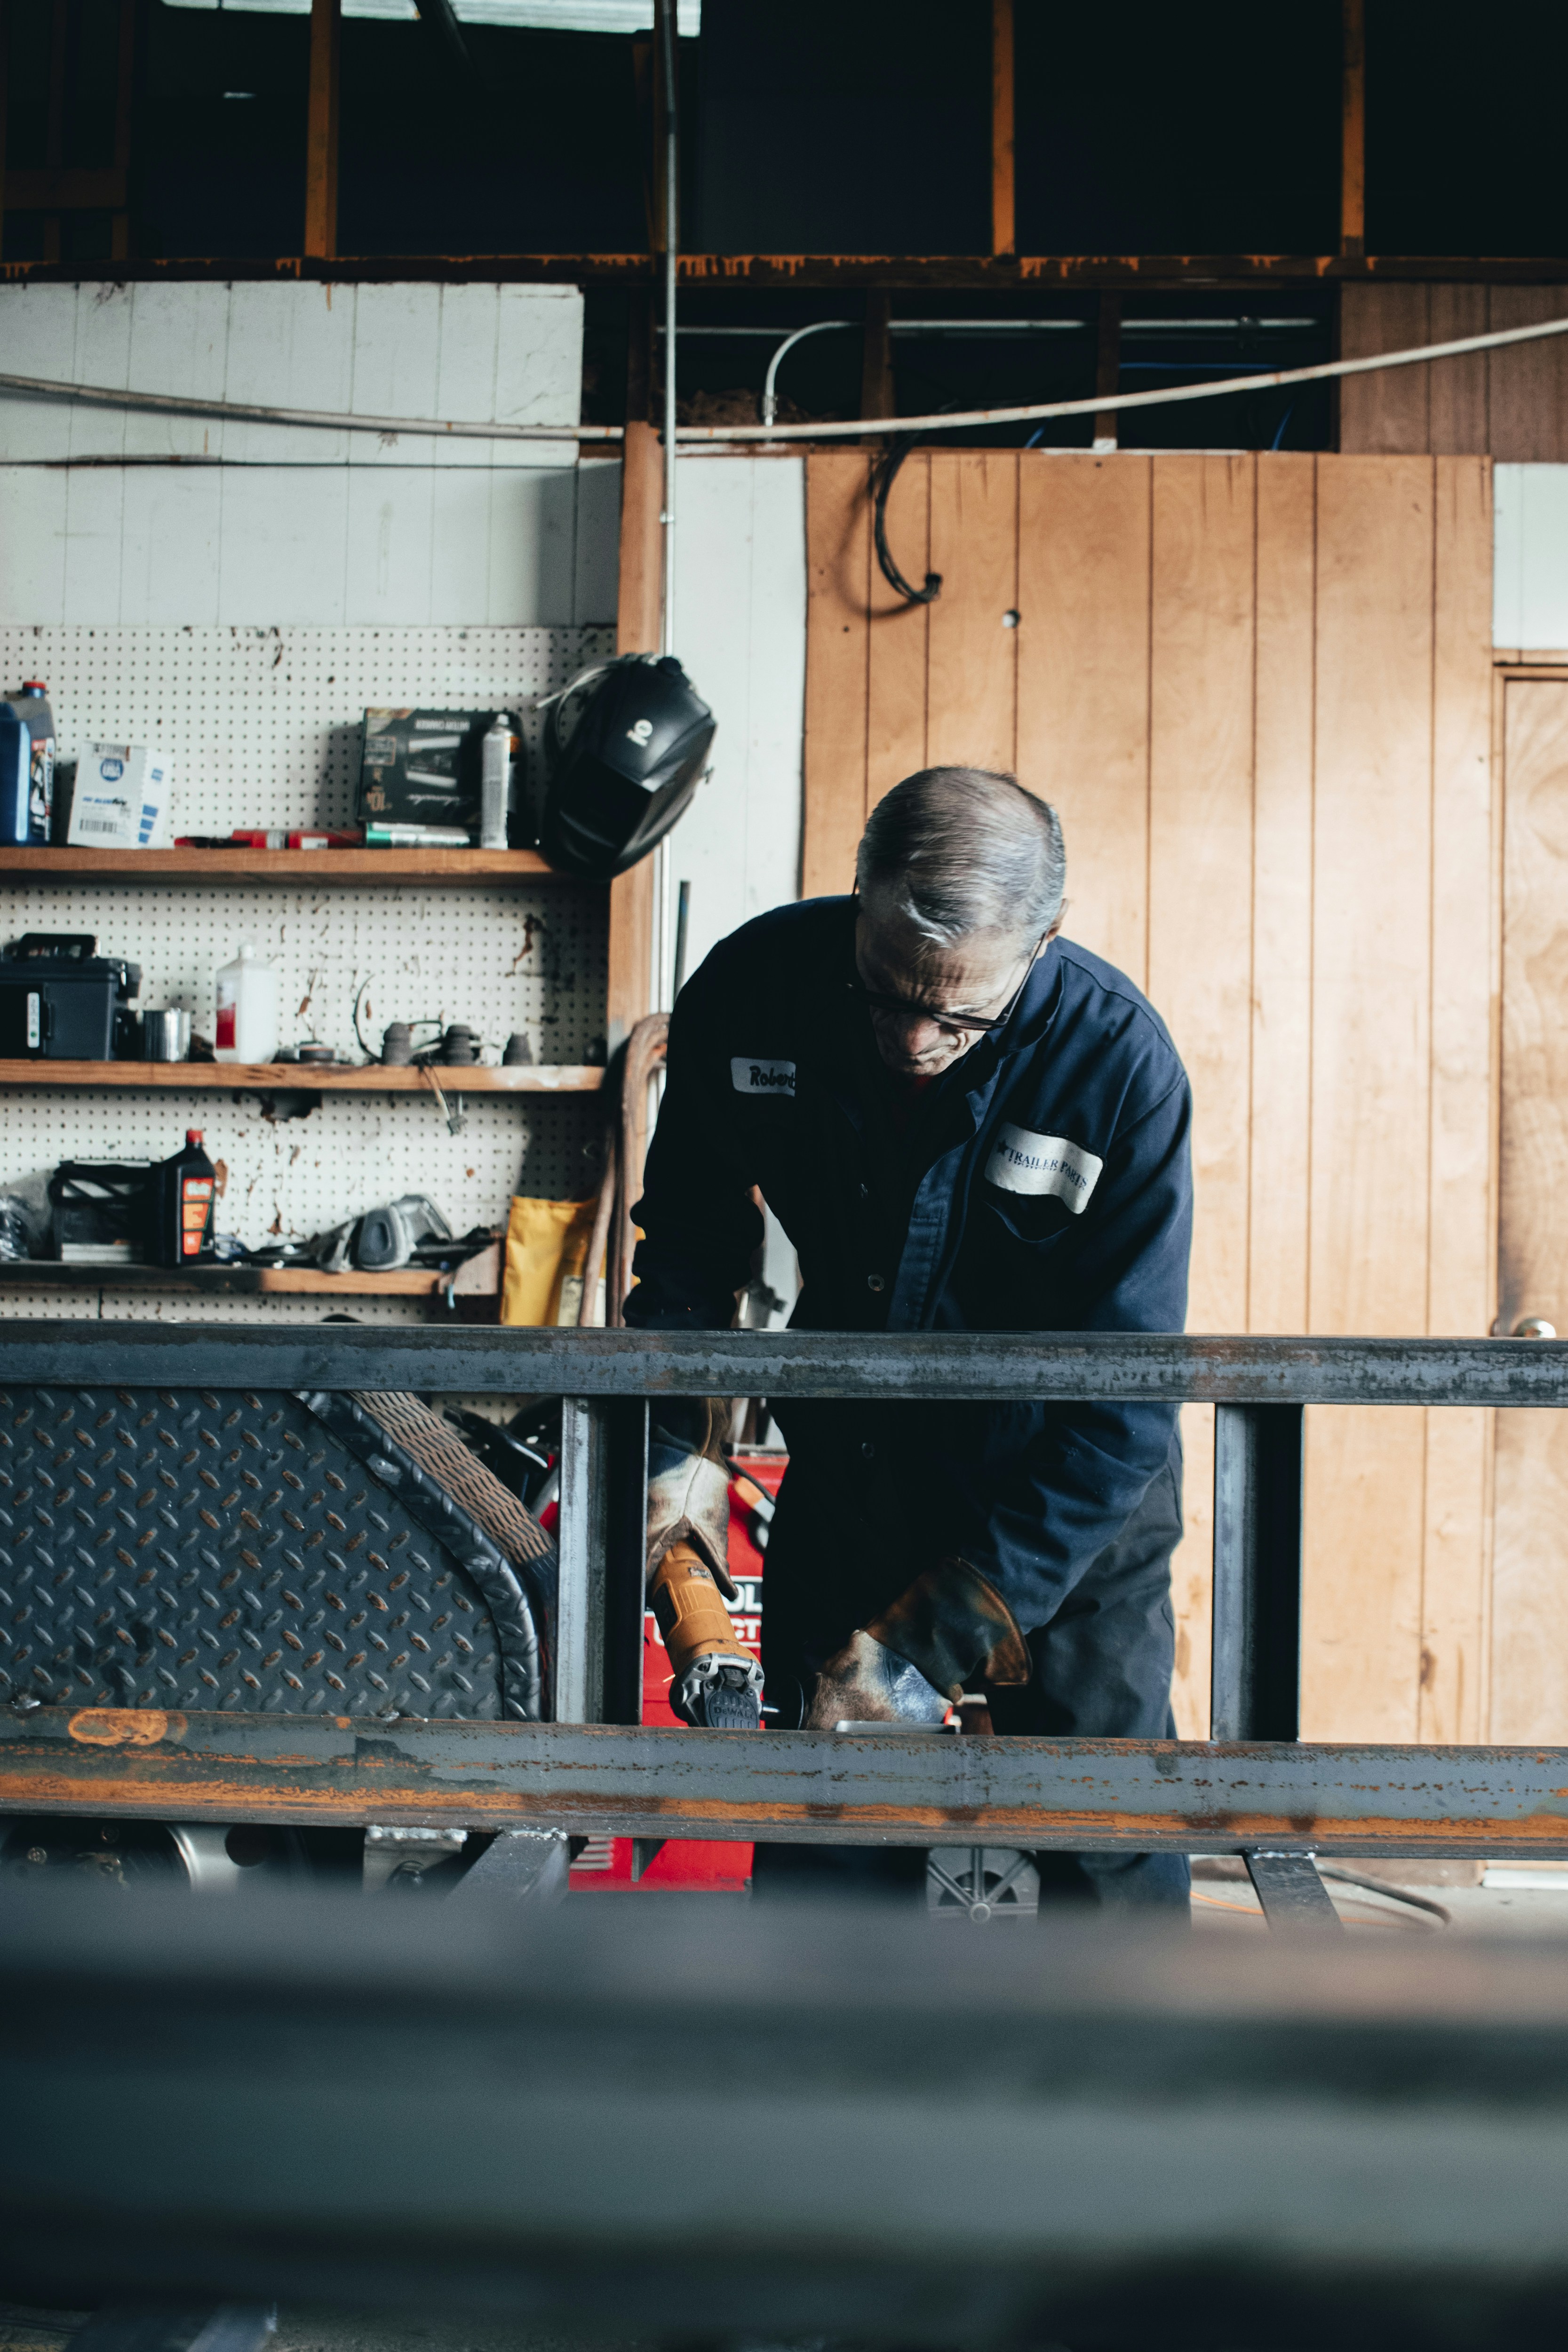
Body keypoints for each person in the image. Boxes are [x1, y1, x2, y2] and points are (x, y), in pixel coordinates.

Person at [628, 766, 1193, 1908]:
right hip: (853, 1476)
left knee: (1101, 1827)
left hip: (1057, 1503)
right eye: (887, 994)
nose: (916, 1039)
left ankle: (1131, 2078)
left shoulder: (1117, 1068)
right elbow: (687, 1253)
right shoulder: (752, 991)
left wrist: (935, 1642)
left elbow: (1121, 1407)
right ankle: (826, 2077)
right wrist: (675, 1460)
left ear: (1044, 941)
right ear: (855, 903)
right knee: (829, 1827)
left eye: (961, 1013)